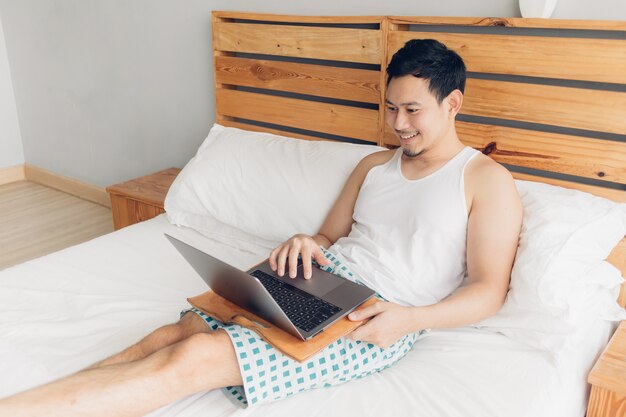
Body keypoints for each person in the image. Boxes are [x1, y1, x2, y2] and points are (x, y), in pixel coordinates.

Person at [0, 39, 522, 416]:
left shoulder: (485, 181)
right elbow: (326, 239)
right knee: (173, 333)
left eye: (412, 110)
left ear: (452, 104)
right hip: (319, 280)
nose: (398, 124)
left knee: (195, 358)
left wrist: (409, 319)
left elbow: (488, 290)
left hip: (378, 312)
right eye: (390, 108)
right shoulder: (373, 167)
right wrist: (305, 242)